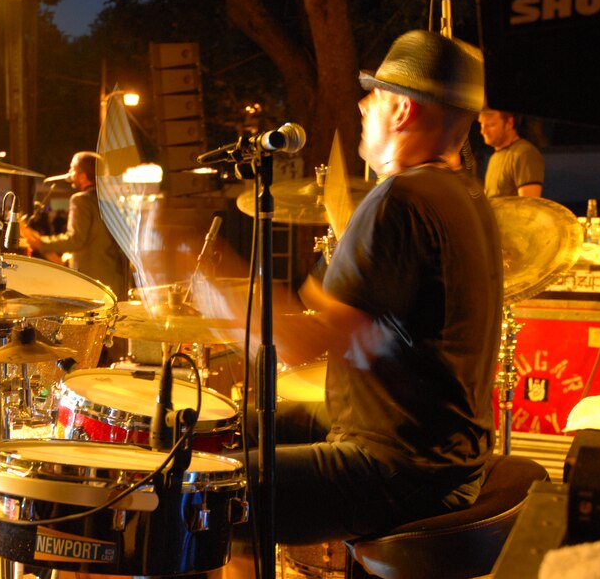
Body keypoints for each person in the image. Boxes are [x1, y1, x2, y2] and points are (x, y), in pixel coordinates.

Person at [224, 29, 503, 558]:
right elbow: (377, 338)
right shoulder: (466, 194)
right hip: (446, 455)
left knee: (191, 486)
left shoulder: (399, 199)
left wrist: (208, 288)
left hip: (396, 471)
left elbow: (305, 342)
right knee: (227, 428)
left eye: (373, 94)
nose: (362, 104)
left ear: (401, 110)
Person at [20, 151, 129, 300]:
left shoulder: (80, 200)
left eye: (72, 169)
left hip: (93, 284)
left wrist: (41, 243)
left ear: (83, 176)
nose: (69, 173)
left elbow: (76, 240)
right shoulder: (110, 202)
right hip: (114, 280)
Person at [478, 108, 544, 197]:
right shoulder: (494, 157)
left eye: (491, 125)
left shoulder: (524, 153)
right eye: (482, 125)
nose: (483, 131)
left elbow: (528, 205)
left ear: (509, 123)